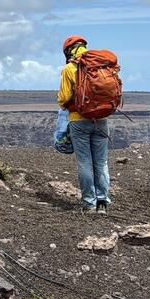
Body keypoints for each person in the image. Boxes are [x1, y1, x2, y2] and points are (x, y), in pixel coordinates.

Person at [57, 35, 111, 213]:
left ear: (68, 51)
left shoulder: (70, 68)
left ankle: (89, 203)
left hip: (78, 121)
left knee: (85, 162)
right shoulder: (100, 66)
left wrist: (64, 103)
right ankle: (102, 203)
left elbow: (64, 98)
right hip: (101, 120)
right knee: (101, 162)